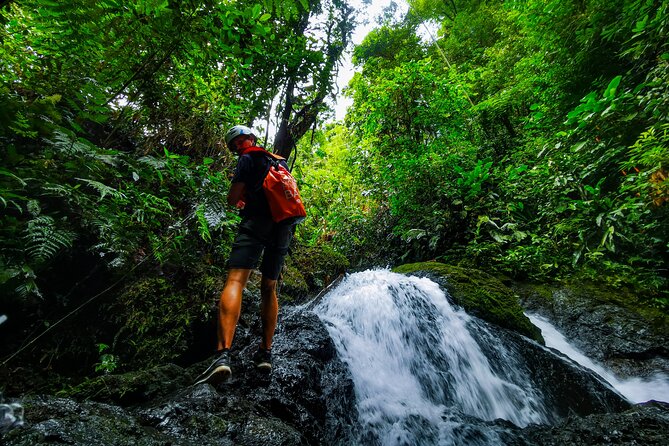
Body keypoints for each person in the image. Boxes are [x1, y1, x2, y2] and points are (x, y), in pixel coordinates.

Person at [194, 125, 296, 385]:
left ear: (234, 145)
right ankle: (265, 353)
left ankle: (222, 356)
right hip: (283, 227)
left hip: (256, 224)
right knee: (269, 286)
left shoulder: (247, 159)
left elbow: (233, 198)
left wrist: (240, 200)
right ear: (251, 138)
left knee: (236, 281)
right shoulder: (278, 161)